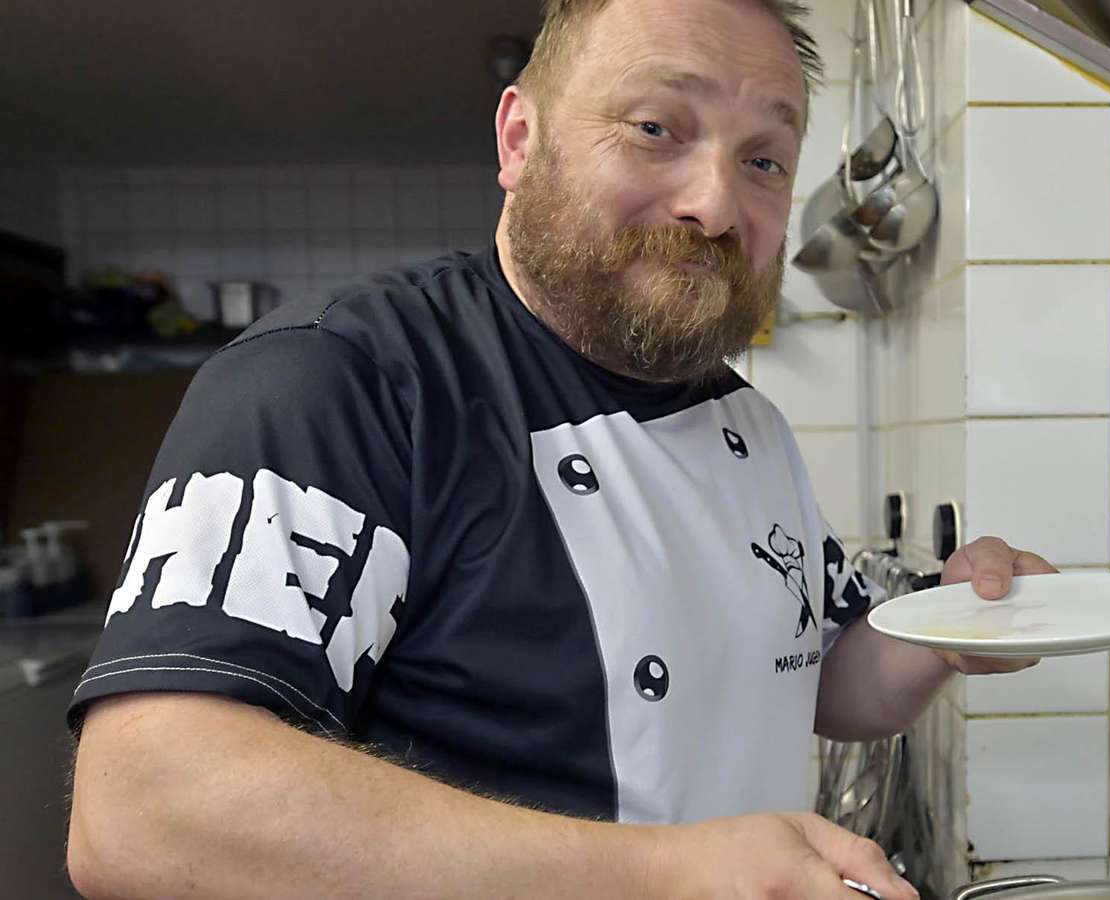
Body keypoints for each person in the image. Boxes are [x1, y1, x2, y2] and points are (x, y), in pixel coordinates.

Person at [65, 0, 1053, 896]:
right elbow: (142, 819)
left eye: (763, 159)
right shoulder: (344, 382)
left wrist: (951, 630)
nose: (714, 204)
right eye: (656, 128)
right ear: (519, 138)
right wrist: (666, 875)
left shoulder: (748, 424)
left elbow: (823, 676)